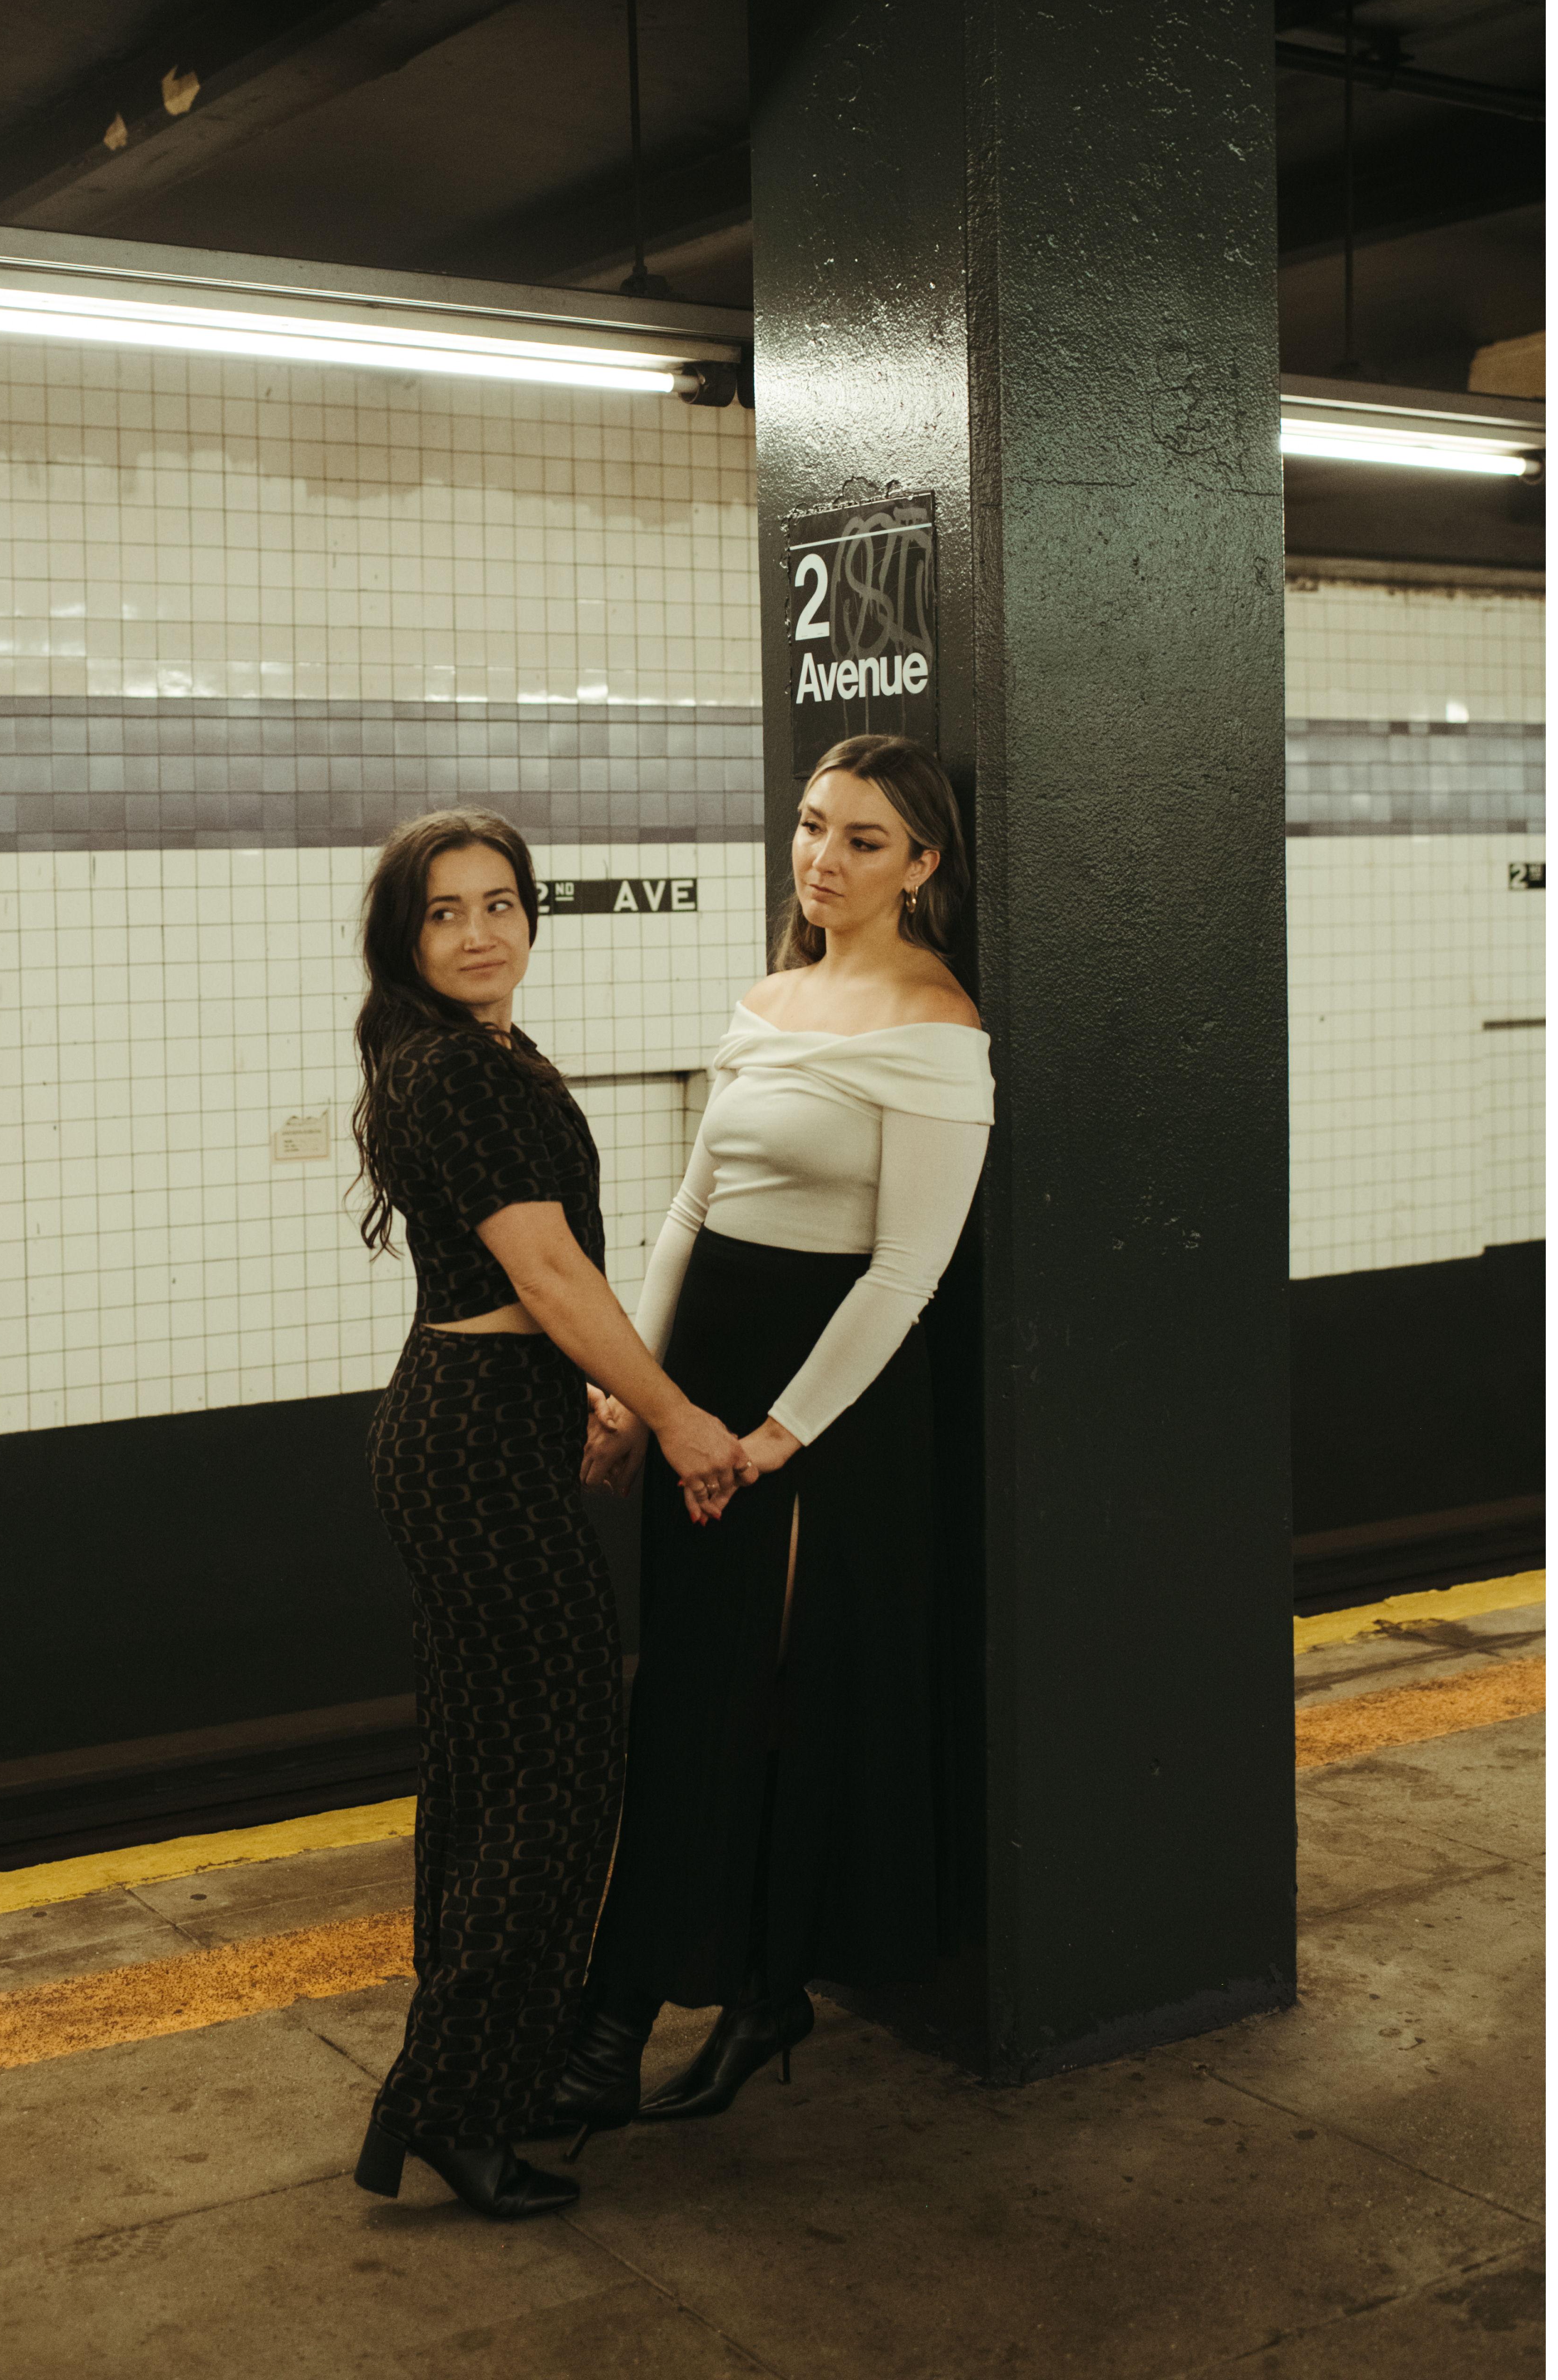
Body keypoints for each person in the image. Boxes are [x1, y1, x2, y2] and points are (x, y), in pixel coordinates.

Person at [559, 735, 994, 2134]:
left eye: (864, 840)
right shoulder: (770, 998)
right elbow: (693, 1208)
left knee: (749, 1706)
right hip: (703, 1398)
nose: (823, 859)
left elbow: (906, 1273)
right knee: (694, 1694)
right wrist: (639, 1393)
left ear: (922, 866)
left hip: (819, 1423)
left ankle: (647, 2018)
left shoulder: (937, 1026)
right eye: (813, 827)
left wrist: (776, 1439)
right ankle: (730, 1992)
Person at [345, 808, 756, 2221]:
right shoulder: (456, 1072)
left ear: (530, 915)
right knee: (555, 1781)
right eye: (446, 912)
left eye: (501, 904)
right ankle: (456, 2106)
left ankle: (459, 2084)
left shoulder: (478, 1054)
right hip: (472, 1452)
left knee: (488, 1773)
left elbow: (527, 1292)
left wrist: (588, 1390)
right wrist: (673, 1411)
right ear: (406, 937)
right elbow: (553, 1275)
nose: (480, 933)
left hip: (479, 1422)